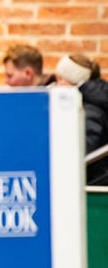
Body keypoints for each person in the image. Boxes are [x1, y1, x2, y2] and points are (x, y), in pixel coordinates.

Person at [55, 53, 108, 185]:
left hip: (92, 186)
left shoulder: (89, 112)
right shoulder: (90, 104)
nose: (56, 85)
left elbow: (82, 150)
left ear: (70, 82)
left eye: (59, 79)